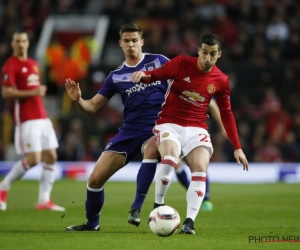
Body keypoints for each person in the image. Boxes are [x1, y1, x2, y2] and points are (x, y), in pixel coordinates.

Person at [131, 33, 248, 234]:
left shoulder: (221, 80)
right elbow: (157, 75)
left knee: (201, 166)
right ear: (199, 51)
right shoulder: (181, 63)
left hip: (196, 128)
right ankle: (158, 205)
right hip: (169, 123)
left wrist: (237, 147)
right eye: (204, 53)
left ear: (219, 54)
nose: (207, 59)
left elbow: (227, 114)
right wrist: (144, 76)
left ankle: (189, 222)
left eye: (212, 54)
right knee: (169, 157)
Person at [64, 23, 177, 231]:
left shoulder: (159, 61)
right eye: (127, 41)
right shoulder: (116, 76)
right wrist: (78, 100)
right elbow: (93, 106)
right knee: (95, 179)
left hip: (159, 127)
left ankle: (144, 207)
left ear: (142, 42)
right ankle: (92, 224)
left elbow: (180, 81)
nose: (131, 45)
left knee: (157, 151)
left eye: (135, 40)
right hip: (130, 130)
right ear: (120, 44)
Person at [0, 31, 65, 212]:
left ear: (28, 43)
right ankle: (3, 186)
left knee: (51, 156)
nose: (21, 44)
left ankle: (44, 200)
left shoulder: (34, 64)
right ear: (13, 44)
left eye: (23, 41)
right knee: (33, 159)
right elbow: (6, 93)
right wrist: (33, 92)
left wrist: (39, 91)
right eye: (17, 41)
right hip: (26, 119)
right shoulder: (10, 66)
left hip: (42, 117)